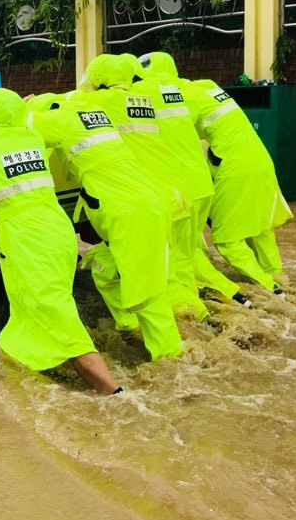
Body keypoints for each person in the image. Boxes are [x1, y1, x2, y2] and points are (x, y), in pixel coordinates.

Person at [0, 87, 121, 393]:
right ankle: (37, 365)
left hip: (27, 240)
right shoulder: (33, 138)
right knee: (38, 308)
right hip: (59, 233)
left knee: (61, 320)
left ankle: (115, 396)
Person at [25, 84, 184, 361]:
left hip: (130, 213)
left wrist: (26, 104)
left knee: (148, 294)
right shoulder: (93, 115)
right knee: (103, 267)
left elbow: (16, 125)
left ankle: (171, 362)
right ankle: (129, 326)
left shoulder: (59, 119)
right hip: (149, 203)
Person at [145, 54, 292, 293]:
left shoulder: (175, 98)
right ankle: (278, 276)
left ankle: (273, 290)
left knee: (227, 240)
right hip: (259, 158)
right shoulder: (206, 85)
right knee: (259, 228)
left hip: (233, 166)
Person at [83, 54, 208, 321]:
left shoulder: (101, 101)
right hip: (179, 191)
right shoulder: (146, 97)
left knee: (149, 273)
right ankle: (202, 320)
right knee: (177, 269)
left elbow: (68, 108)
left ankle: (165, 331)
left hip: (151, 197)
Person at [135, 52, 252, 308]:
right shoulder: (180, 92)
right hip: (200, 185)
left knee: (176, 258)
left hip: (176, 191)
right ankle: (236, 295)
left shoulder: (139, 93)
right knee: (190, 253)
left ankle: (195, 313)